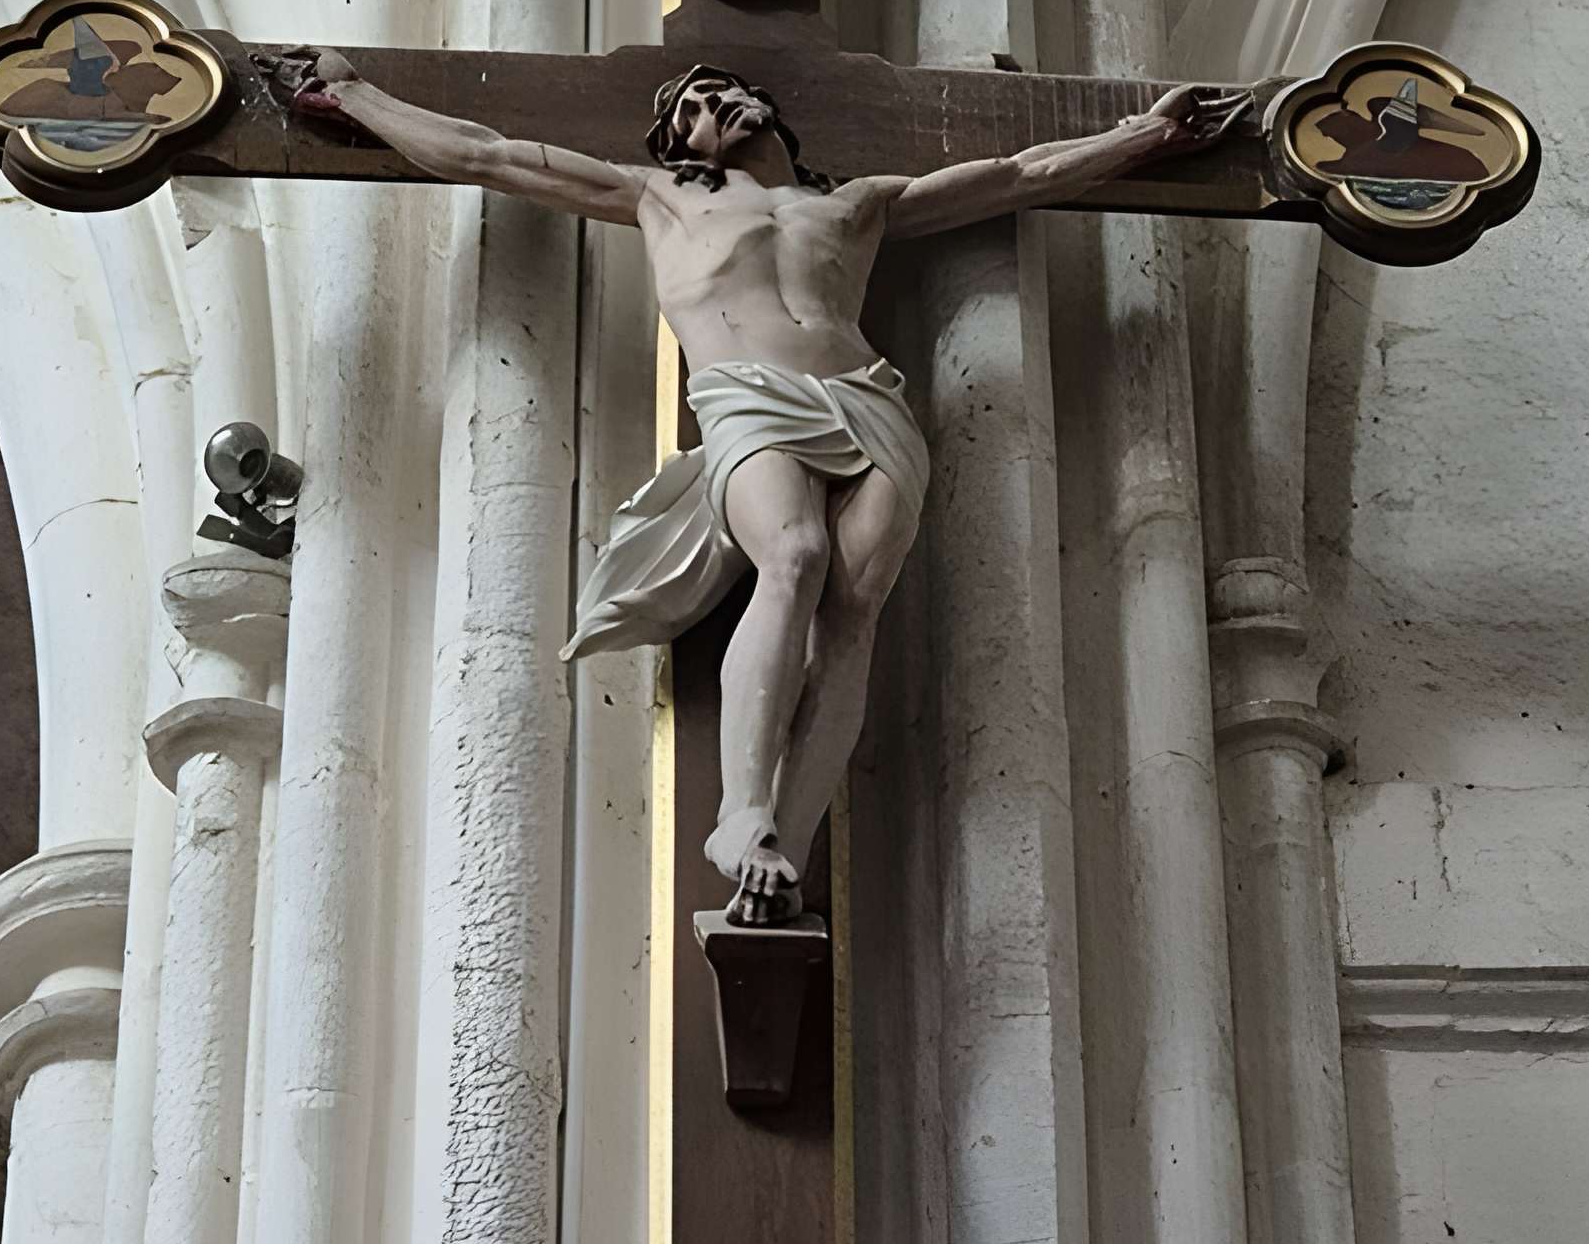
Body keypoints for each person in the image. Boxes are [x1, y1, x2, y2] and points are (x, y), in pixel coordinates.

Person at [293, 52, 1247, 922]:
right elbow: (486, 153)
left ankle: (779, 849)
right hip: (749, 399)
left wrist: (1144, 134)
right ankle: (739, 812)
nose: (719, 98)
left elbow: (1017, 177)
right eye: (695, 104)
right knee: (791, 554)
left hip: (867, 404)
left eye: (725, 88)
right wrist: (357, 94)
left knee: (855, 610)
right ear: (680, 143)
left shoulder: (859, 202)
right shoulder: (658, 198)